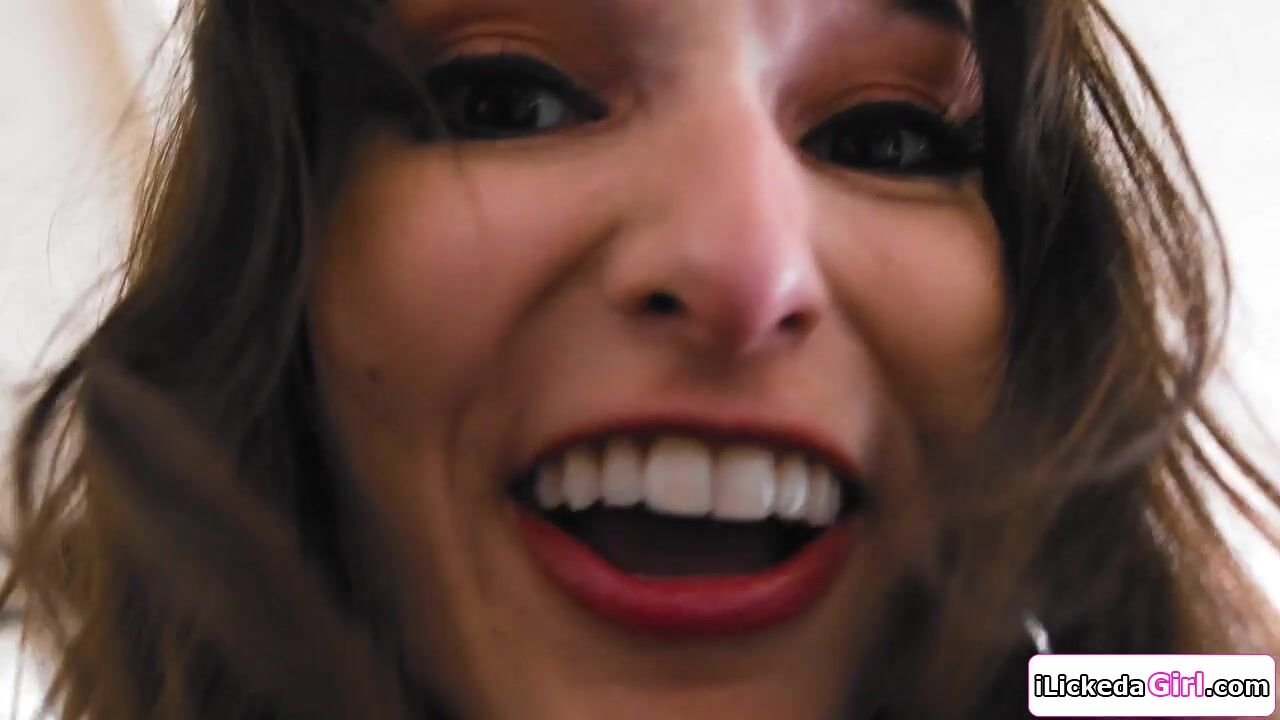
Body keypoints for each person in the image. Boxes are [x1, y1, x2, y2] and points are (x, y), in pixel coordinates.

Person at [3, 0, 1277, 717]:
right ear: (282, 262)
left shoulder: (1114, 682)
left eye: (886, 139)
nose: (746, 265)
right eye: (510, 102)